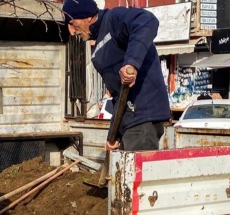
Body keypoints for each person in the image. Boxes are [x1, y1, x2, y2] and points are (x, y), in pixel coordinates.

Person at [62, 0, 171, 152]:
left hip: (143, 115)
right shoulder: (97, 45)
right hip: (128, 120)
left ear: (87, 17)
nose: (71, 31)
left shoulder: (114, 18)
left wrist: (131, 63)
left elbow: (147, 21)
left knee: (134, 173)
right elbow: (118, 95)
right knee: (122, 173)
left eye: (72, 23)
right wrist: (113, 136)